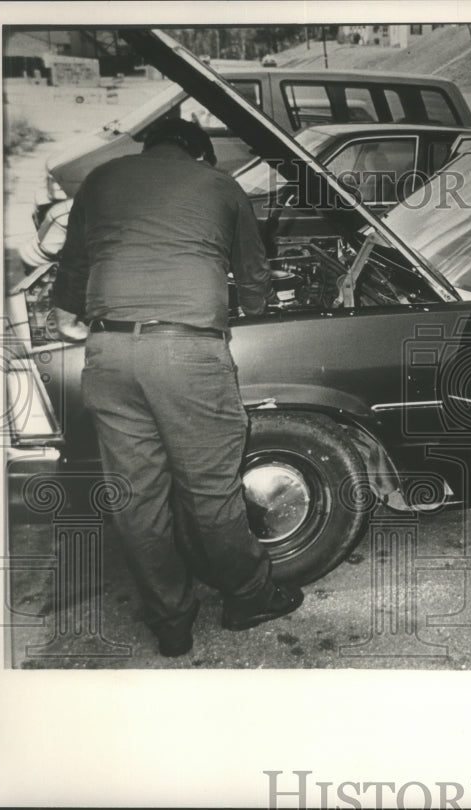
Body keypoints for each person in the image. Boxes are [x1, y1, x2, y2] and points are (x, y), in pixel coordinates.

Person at [51, 118, 304, 657]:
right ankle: (248, 598)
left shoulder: (100, 180)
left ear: (150, 146)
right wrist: (256, 309)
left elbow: (74, 263)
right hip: (187, 351)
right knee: (210, 489)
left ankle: (170, 623)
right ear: (200, 154)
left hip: (110, 353)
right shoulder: (218, 184)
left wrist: (72, 314)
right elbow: (253, 271)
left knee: (136, 496)